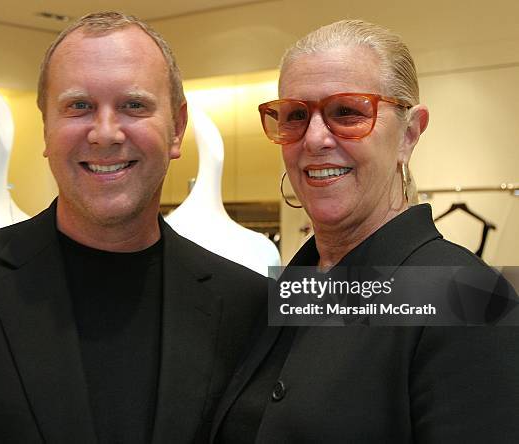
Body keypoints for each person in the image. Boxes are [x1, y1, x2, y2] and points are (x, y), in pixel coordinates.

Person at [0, 11, 266, 444]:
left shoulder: (249, 304)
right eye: (79, 106)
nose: (105, 133)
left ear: (178, 128)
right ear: (45, 127)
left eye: (134, 105)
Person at [210, 20, 519, 443]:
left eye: (348, 112)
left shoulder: (472, 300)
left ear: (409, 134)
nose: (315, 139)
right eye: (295, 116)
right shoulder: (291, 290)